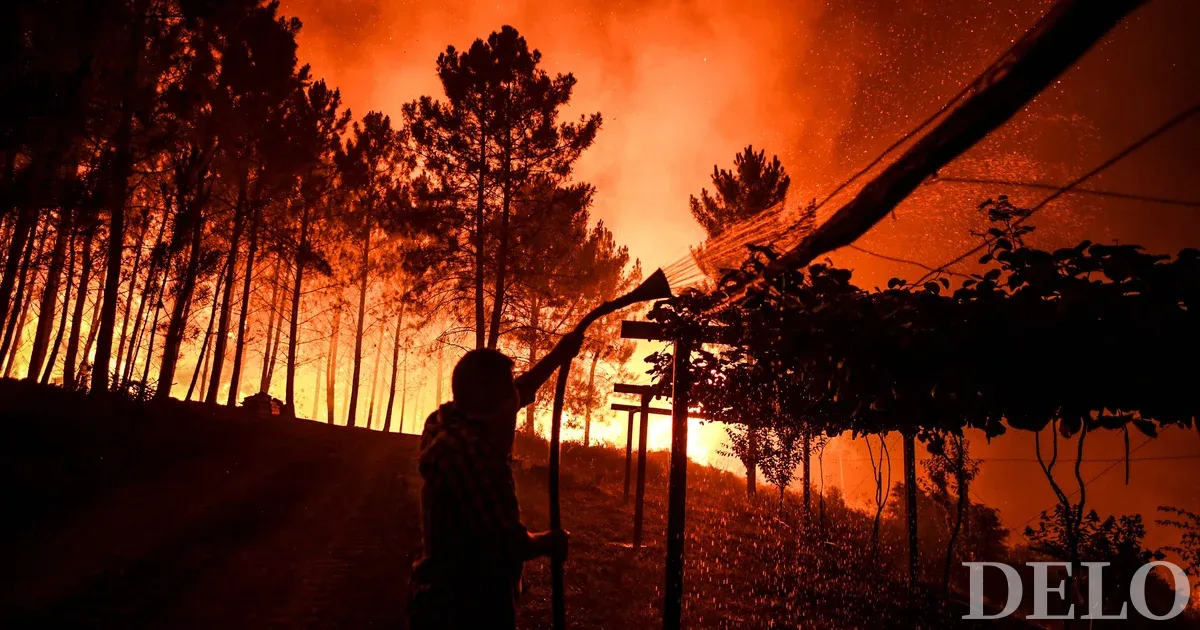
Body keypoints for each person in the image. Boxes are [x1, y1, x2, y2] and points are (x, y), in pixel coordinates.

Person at [408, 330, 585, 630]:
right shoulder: (469, 454)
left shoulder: (451, 421)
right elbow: (507, 543)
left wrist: (559, 354)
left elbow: (523, 388)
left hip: (441, 600)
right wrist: (547, 542)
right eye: (510, 396)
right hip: (465, 609)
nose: (517, 402)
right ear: (492, 402)